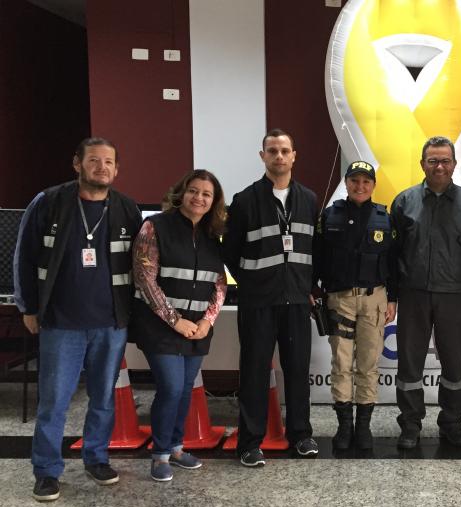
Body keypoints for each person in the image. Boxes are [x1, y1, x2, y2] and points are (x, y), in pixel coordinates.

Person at [16, 137, 141, 501]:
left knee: (103, 397)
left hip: (110, 324)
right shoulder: (49, 202)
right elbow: (24, 255)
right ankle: (46, 470)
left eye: (108, 162)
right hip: (59, 322)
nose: (101, 167)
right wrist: (28, 307)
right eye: (93, 160)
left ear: (117, 169)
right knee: (54, 401)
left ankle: (96, 458)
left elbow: (141, 263)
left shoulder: (127, 209)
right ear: (77, 163)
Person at [221, 129, 320, 466]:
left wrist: (308, 288)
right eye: (272, 151)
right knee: (253, 372)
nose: (279, 157)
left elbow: (313, 251)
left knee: (297, 371)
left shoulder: (308, 199)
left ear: (294, 156)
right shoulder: (245, 200)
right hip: (258, 302)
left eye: (284, 151)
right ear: (262, 156)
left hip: (296, 301)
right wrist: (252, 283)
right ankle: (249, 442)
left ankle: (301, 435)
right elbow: (230, 253)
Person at [130, 170, 227, 481]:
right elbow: (145, 278)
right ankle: (159, 454)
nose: (199, 198)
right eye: (193, 191)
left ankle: (175, 447)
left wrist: (207, 320)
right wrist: (176, 320)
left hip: (197, 328)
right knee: (170, 387)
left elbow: (219, 282)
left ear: (214, 202)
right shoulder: (155, 226)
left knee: (184, 389)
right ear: (181, 193)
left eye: (206, 194)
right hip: (160, 327)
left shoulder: (214, 235)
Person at [391, 136, 461, 449]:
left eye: (445, 161)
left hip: (453, 295)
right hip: (413, 294)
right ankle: (410, 425)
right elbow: (393, 251)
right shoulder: (404, 202)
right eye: (433, 160)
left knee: (454, 365)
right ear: (422, 164)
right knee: (409, 365)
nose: (439, 166)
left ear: (454, 164)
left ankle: (452, 423)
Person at [314, 160, 397, 451]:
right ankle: (344, 427)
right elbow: (318, 255)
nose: (360, 186)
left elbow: (393, 261)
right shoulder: (329, 216)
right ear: (346, 183)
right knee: (341, 362)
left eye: (366, 181)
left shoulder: (385, 217)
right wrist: (315, 289)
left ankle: (363, 427)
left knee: (369, 363)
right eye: (354, 181)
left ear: (373, 185)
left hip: (375, 298)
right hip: (340, 298)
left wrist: (394, 298)